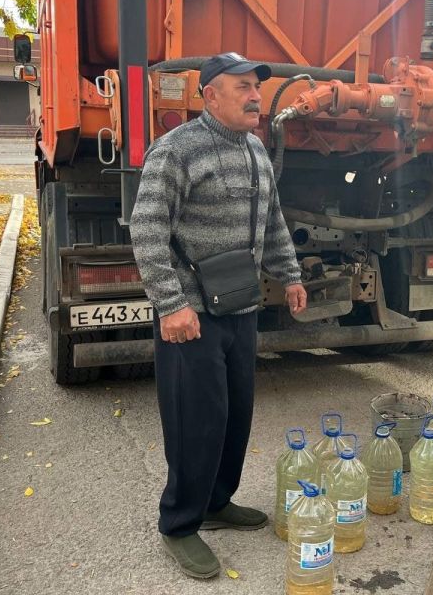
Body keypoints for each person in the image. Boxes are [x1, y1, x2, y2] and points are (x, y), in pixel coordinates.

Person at [130, 52, 307, 580]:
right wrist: (171, 303)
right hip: (191, 314)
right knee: (194, 420)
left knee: (235, 413)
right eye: (241, 87)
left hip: (239, 306)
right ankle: (180, 523)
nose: (255, 96)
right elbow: (146, 229)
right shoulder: (176, 150)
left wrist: (290, 274)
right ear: (210, 94)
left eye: (256, 86)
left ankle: (217, 501)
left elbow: (272, 220)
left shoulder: (254, 149)